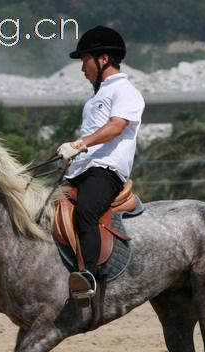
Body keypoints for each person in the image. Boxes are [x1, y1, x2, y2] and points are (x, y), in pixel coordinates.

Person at [57, 25, 145, 299]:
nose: (83, 69)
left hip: (107, 170)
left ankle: (90, 276)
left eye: (84, 61)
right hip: (83, 169)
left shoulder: (126, 91)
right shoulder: (98, 96)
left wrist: (79, 144)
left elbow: (117, 126)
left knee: (86, 210)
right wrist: (70, 153)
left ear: (103, 59)